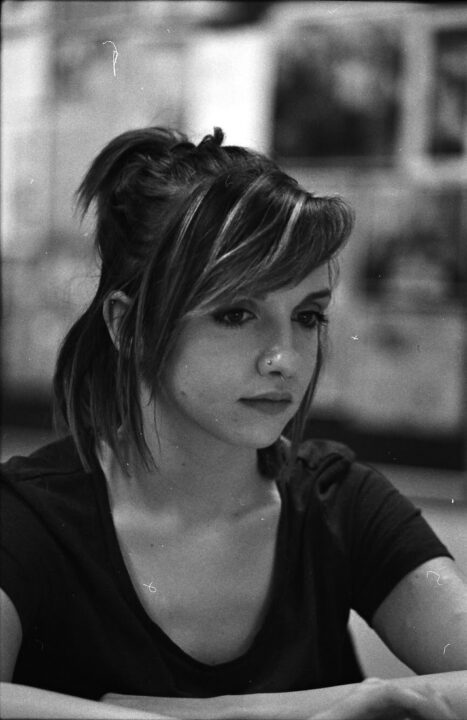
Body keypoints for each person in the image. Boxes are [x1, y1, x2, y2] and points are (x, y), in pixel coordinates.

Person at [0, 126, 466, 720]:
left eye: (308, 316)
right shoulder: (29, 517)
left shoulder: (339, 501)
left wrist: (223, 712)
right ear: (127, 326)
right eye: (237, 313)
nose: (285, 359)